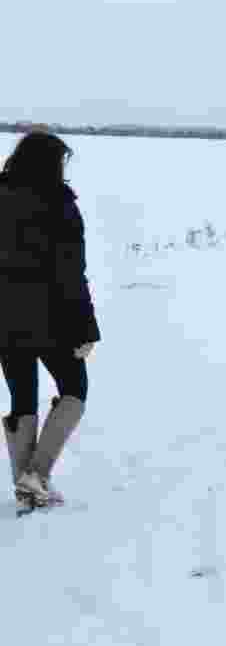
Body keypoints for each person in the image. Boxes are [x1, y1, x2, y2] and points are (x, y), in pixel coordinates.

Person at [0, 130, 101, 514]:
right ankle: (36, 475)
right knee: (75, 388)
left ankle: (28, 488)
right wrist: (87, 328)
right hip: (52, 317)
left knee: (22, 397)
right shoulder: (59, 205)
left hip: (6, 318)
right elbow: (72, 273)